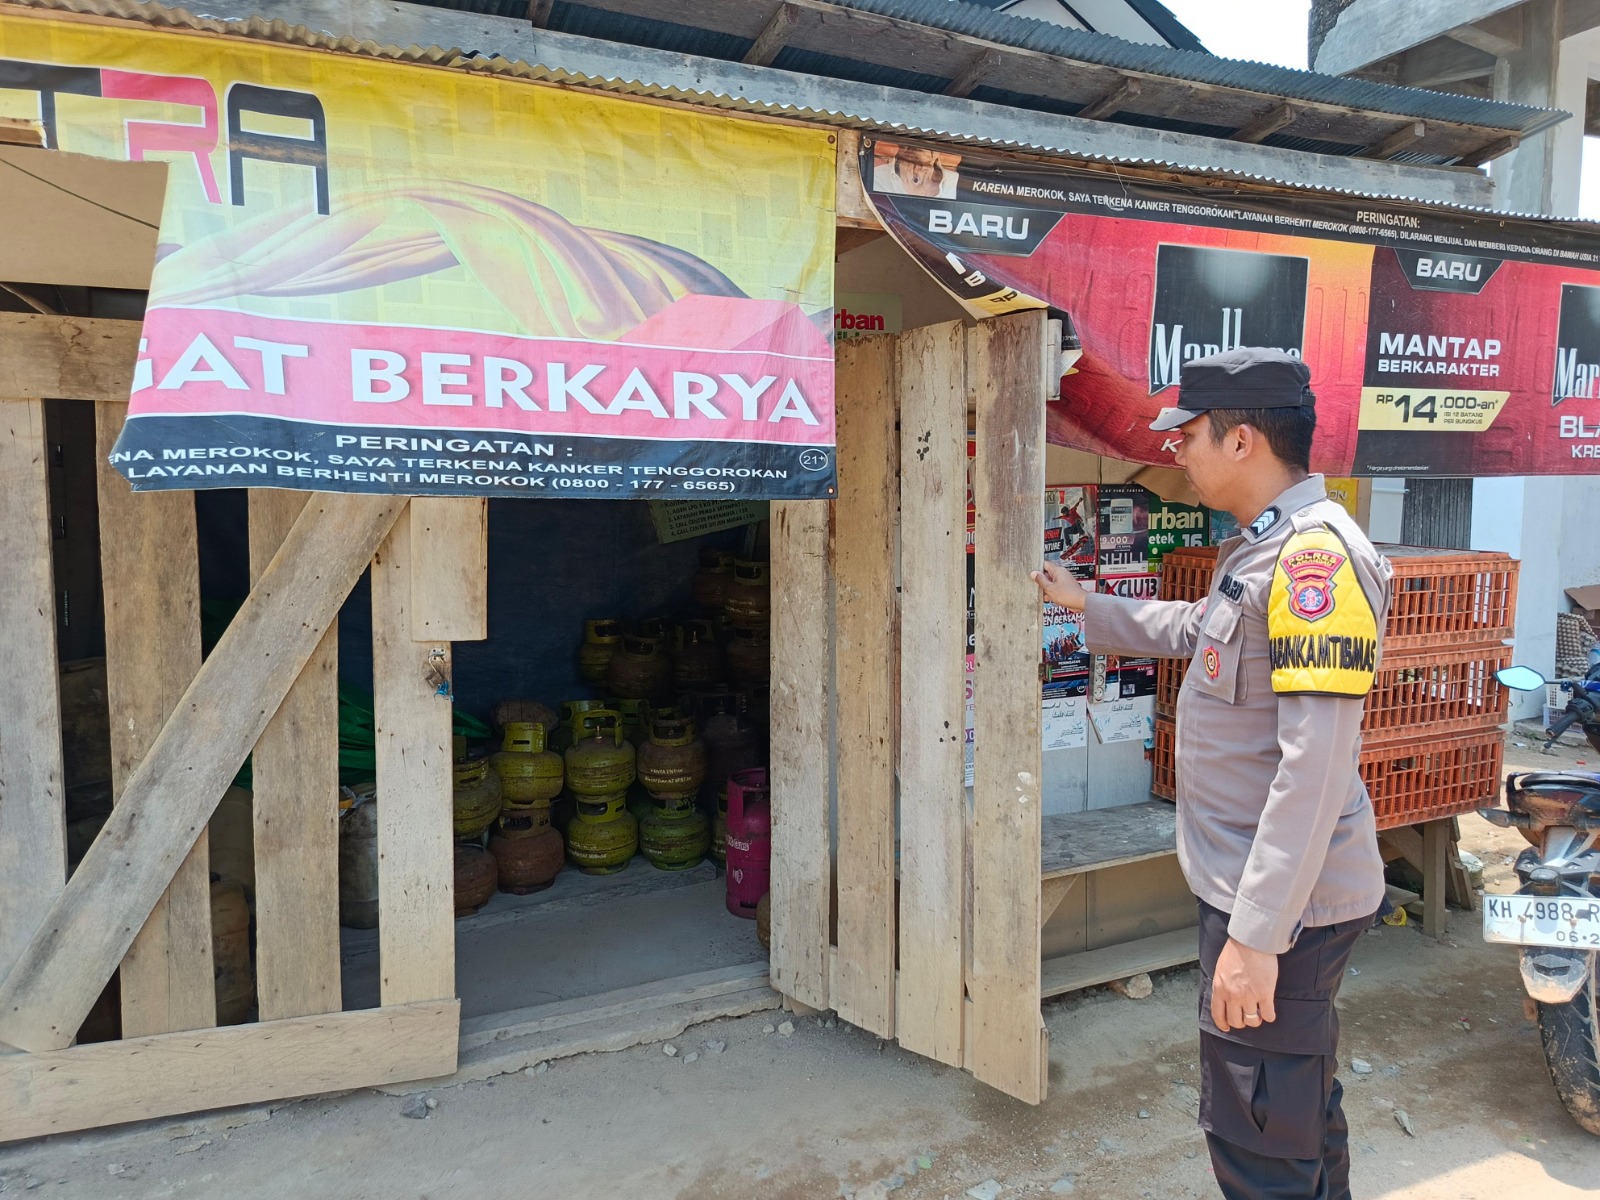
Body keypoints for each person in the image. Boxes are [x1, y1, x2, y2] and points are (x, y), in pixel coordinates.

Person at [1033, 347, 1391, 1200]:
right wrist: (1090, 607)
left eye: (1188, 435)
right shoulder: (1263, 551)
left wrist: (1257, 939)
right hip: (1256, 889)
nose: (1176, 453)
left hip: (1282, 909)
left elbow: (1313, 768)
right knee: (1296, 1106)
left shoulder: (1317, 564)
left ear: (1243, 444)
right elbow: (1204, 628)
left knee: (1257, 1132)